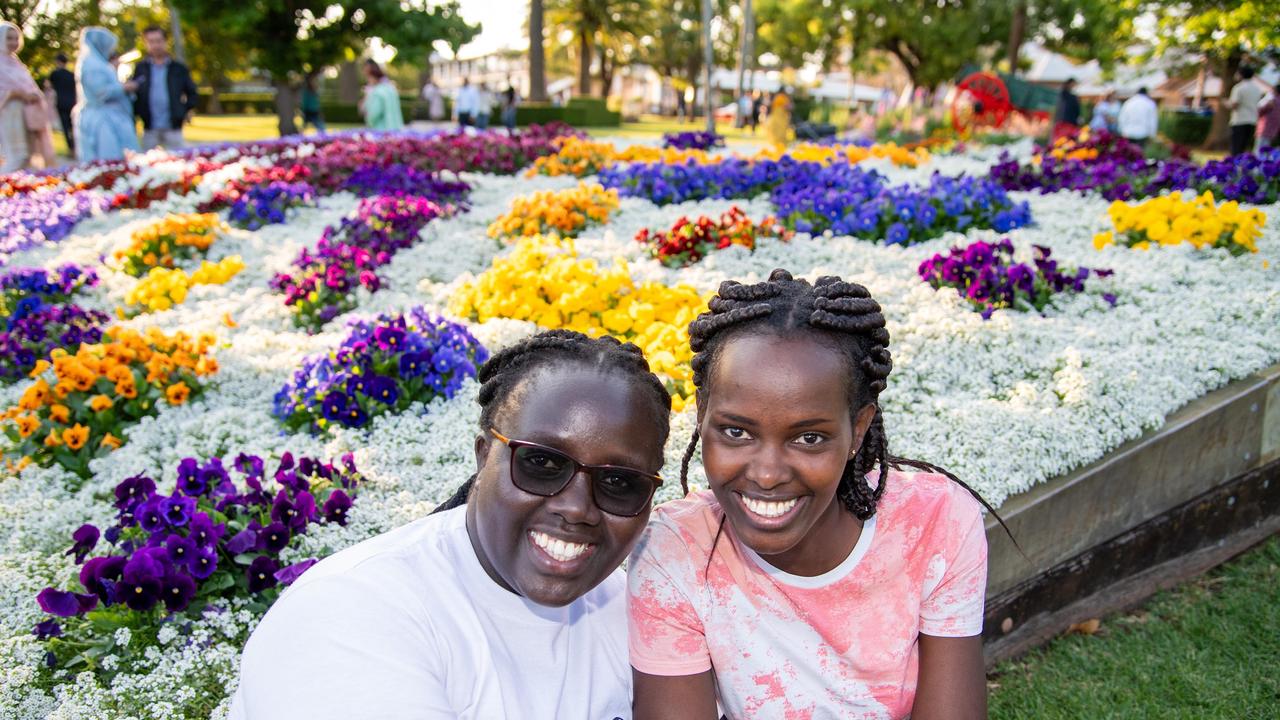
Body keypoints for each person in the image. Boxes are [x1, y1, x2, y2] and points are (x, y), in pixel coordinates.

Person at [231, 331, 671, 719]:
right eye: (542, 463)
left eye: (619, 483)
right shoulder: (351, 613)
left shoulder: (631, 613)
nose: (577, 508)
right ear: (484, 456)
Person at [629, 270, 994, 720]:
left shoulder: (935, 521)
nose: (766, 475)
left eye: (809, 439)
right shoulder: (676, 551)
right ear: (702, 413)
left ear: (857, 427)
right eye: (736, 431)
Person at [72, 27, 138, 163]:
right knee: (108, 159)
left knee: (120, 159)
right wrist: (124, 87)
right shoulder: (92, 64)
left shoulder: (99, 62)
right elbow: (100, 92)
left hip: (110, 116)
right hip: (102, 120)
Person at [126, 25, 197, 151]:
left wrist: (182, 111)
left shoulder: (178, 68)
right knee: (146, 165)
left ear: (165, 42)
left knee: (180, 162)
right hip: (149, 128)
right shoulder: (140, 68)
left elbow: (192, 93)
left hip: (173, 128)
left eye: (158, 41)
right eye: (151, 41)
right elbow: (133, 94)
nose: (155, 45)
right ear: (146, 43)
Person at [0, 21, 56, 172]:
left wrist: (34, 95)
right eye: (9, 38)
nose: (13, 42)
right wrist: (19, 94)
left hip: (27, 114)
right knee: (18, 156)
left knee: (30, 156)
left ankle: (20, 191)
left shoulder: (16, 62)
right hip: (9, 114)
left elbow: (30, 87)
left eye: (15, 38)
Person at [1225, 67, 1263, 156]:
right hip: (1252, 120)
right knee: (1243, 146)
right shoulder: (1257, 89)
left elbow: (1235, 105)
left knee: (1236, 147)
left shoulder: (1238, 88)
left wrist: (1226, 103)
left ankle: (1233, 167)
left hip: (1239, 120)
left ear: (1241, 75)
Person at [46, 52, 76, 155]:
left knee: (65, 126)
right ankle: (75, 146)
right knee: (73, 126)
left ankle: (71, 148)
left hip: (61, 103)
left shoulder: (54, 74)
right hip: (72, 103)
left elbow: (49, 86)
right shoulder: (71, 75)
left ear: (58, 62)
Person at [360, 60, 403, 131]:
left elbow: (373, 116)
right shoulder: (391, 89)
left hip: (381, 132)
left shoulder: (377, 92)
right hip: (396, 130)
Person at [1117, 87, 1158, 151]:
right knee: (1139, 156)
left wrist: (1121, 131)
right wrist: (1152, 136)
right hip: (1142, 134)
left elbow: (1122, 118)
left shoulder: (1128, 102)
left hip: (1128, 132)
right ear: (1146, 93)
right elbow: (1153, 121)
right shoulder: (1150, 103)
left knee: (1128, 154)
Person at [1256, 88, 1280, 152]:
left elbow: (1260, 111)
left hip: (1265, 126)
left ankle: (1259, 161)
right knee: (1267, 146)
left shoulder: (1271, 100)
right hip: (1274, 127)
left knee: (1260, 147)